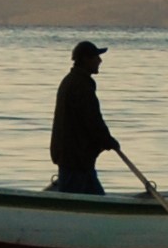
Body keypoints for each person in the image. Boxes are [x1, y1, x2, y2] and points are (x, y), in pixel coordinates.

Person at [49, 40, 122, 193]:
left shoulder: (72, 81)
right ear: (85, 59)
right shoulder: (80, 85)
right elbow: (92, 120)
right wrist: (108, 141)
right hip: (75, 159)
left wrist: (104, 141)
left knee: (94, 196)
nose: (100, 61)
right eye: (96, 57)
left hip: (74, 158)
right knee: (90, 198)